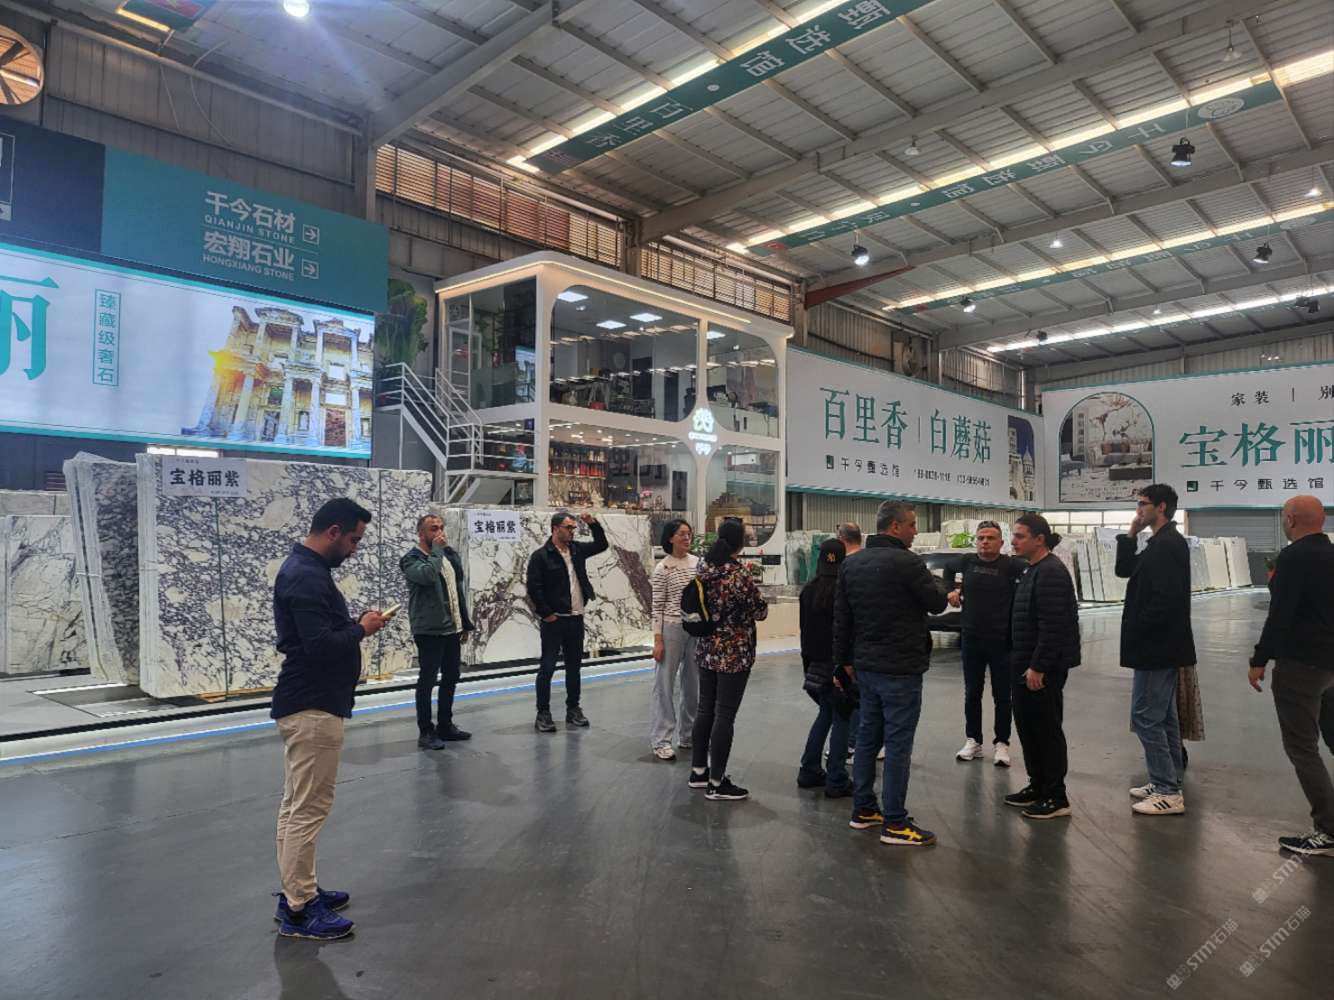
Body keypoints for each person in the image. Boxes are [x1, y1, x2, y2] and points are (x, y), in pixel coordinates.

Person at [270, 498, 386, 940]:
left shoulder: (307, 571)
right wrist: (362, 629)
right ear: (333, 532)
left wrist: (353, 625)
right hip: (313, 706)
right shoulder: (306, 576)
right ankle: (300, 909)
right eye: (353, 539)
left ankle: (297, 889)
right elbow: (320, 647)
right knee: (308, 808)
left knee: (295, 806)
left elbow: (316, 635)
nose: (354, 549)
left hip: (309, 702)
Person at [834, 500, 947, 847]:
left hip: (866, 667)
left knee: (868, 737)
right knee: (898, 744)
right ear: (895, 527)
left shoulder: (852, 565)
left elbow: (842, 618)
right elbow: (936, 603)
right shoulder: (908, 563)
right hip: (901, 667)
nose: (915, 531)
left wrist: (843, 662)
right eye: (912, 524)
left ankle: (864, 809)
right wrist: (943, 587)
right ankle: (895, 822)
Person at [1248, 495, 1334, 857]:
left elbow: (1280, 615)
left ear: (1291, 520)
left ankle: (1328, 830)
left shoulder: (1294, 557)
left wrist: (1259, 658)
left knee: (1302, 746)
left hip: (1301, 665)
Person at [1115, 484, 1196, 816]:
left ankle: (1167, 791)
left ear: (1161, 507)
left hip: (1157, 645)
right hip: (1159, 644)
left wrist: (1138, 628)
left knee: (1146, 717)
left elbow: (1166, 600)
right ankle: (1168, 779)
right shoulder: (1157, 543)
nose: (1138, 509)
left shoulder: (1168, 545)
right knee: (1163, 717)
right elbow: (1124, 570)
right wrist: (1131, 534)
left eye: (1143, 504)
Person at [1005, 514, 1080, 820]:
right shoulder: (1032, 569)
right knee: (1028, 727)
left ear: (1039, 539)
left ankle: (1056, 796)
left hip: (1041, 669)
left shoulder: (1051, 572)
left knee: (1046, 729)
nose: (1013, 541)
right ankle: (1038, 785)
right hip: (1025, 663)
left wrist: (1039, 666)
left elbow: (1054, 626)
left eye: (1020, 536)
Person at [687, 518, 768, 801]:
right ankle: (717, 782)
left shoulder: (704, 567)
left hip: (706, 648)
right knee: (725, 715)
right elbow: (760, 611)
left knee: (705, 709)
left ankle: (699, 772)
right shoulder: (738, 574)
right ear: (740, 543)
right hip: (734, 653)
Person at [944, 521, 1024, 767]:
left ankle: (1002, 743)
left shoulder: (1012, 565)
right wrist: (951, 590)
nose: (985, 542)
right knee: (972, 693)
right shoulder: (967, 562)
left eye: (990, 538)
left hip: (1002, 640)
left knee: (1002, 695)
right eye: (981, 538)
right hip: (972, 638)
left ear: (1001, 542)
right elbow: (947, 569)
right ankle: (973, 740)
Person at [526, 511, 609, 733]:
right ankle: (543, 713)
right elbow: (534, 587)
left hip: (575, 618)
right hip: (554, 621)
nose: (572, 531)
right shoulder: (541, 556)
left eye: (574, 527)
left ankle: (573, 708)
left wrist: (593, 524)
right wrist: (547, 614)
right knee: (547, 667)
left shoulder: (577, 550)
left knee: (574, 667)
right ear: (555, 529)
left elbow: (601, 544)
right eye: (568, 527)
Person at [401, 513, 474, 750]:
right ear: (421, 533)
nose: (440, 532)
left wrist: (463, 623)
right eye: (434, 529)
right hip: (429, 629)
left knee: (452, 676)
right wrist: (437, 551)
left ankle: (445, 725)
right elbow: (427, 576)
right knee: (428, 679)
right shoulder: (411, 559)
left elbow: (456, 590)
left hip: (451, 627)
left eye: (441, 527)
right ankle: (425, 731)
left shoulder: (447, 555)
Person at [797, 538, 856, 798]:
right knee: (842, 719)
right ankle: (836, 778)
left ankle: (809, 769)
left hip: (814, 666)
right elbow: (848, 632)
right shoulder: (846, 590)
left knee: (825, 715)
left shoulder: (808, 591)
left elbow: (804, 633)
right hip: (839, 666)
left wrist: (807, 666)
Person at [649, 518, 700, 760]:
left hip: (695, 629)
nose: (686, 538)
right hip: (671, 629)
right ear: (670, 538)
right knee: (664, 686)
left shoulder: (698, 564)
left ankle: (688, 735)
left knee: (693, 685)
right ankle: (661, 740)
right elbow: (657, 606)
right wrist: (658, 640)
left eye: (688, 533)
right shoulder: (663, 568)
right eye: (681, 534)